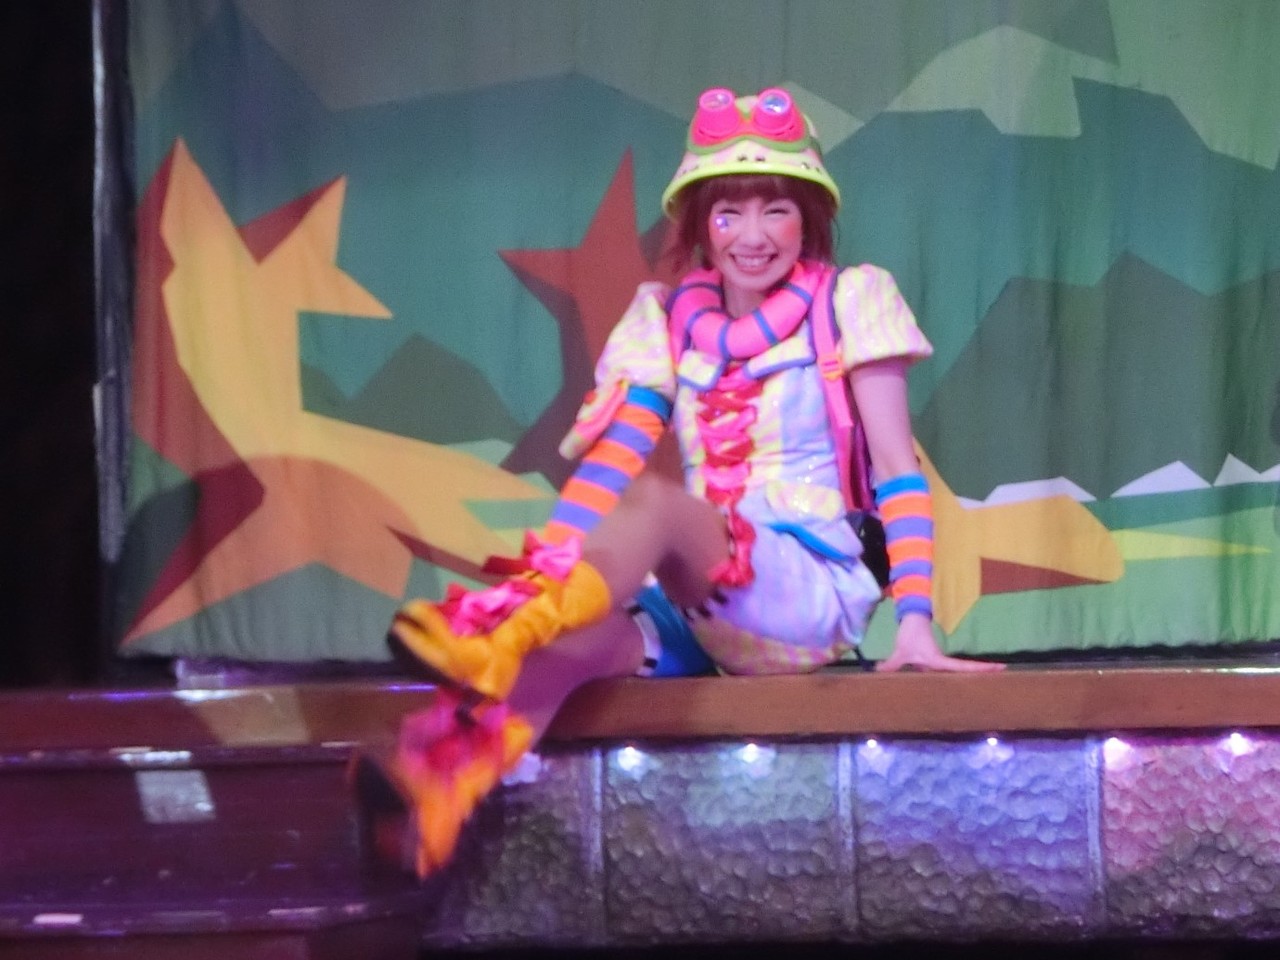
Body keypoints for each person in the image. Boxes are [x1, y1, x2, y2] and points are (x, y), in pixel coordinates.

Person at [356, 86, 1004, 878]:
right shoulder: (662, 319)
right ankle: (439, 781)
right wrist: (553, 565)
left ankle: (502, 628)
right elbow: (613, 463)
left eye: (776, 210)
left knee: (660, 508)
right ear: (700, 224)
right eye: (729, 213)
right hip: (700, 600)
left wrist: (915, 624)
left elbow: (899, 471)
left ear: (808, 220)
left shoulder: (850, 300)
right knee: (573, 642)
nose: (752, 236)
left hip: (807, 586)